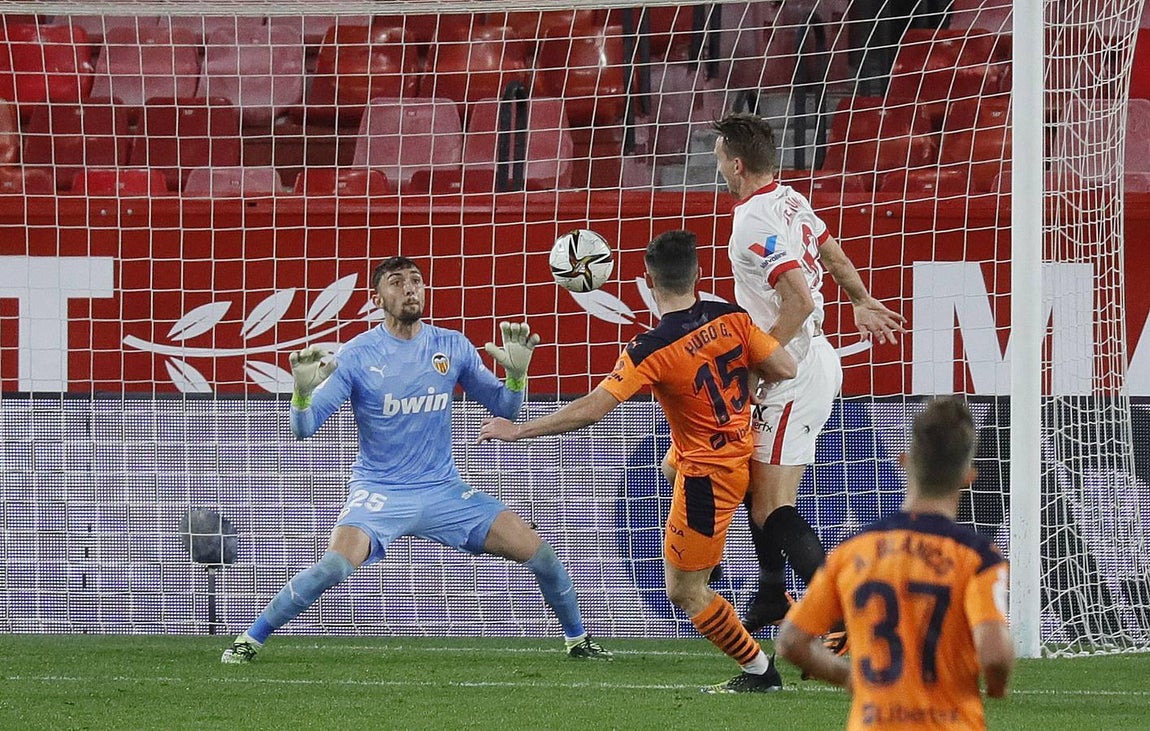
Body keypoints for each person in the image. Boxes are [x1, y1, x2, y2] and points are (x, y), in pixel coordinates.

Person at [222, 256, 611, 663]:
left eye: (416, 280)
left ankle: (578, 642)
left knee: (541, 554)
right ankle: (249, 640)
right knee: (332, 568)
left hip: (444, 491)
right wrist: (300, 395)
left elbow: (505, 409)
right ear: (377, 298)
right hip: (380, 491)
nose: (409, 288)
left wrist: (517, 378)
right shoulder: (356, 355)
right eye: (396, 282)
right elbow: (304, 429)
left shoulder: (451, 346)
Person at [479, 230, 798, 693]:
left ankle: (759, 673)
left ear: (648, 280)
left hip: (710, 474)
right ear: (699, 274)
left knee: (683, 592)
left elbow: (592, 409)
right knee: (668, 467)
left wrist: (519, 429)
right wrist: (747, 380)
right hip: (735, 447)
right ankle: (709, 563)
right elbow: (786, 368)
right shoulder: (733, 316)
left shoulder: (650, 348)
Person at [708, 112, 907, 636]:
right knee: (760, 491)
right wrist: (861, 300)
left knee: (773, 506)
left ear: (737, 162)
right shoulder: (789, 199)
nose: (717, 168)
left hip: (793, 370)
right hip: (800, 363)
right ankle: (773, 592)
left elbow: (797, 296)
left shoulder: (752, 221)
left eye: (719, 158)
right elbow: (831, 253)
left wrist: (759, 361)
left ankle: (844, 617)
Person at [777, 397, 1014, 729]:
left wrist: (850, 678)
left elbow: (791, 642)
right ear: (968, 476)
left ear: (904, 462)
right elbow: (995, 656)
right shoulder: (978, 557)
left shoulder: (852, 551)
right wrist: (998, 687)